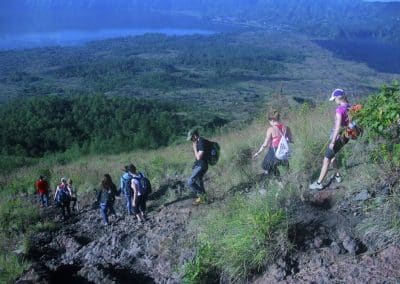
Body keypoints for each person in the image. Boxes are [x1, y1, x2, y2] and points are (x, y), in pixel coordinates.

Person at [309, 88, 351, 190]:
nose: (334, 102)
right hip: (346, 136)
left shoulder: (339, 110)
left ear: (338, 98)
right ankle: (337, 175)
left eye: (334, 99)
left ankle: (319, 183)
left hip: (338, 137)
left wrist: (332, 142)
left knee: (326, 159)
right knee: (332, 157)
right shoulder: (350, 106)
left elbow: (337, 127)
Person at [253, 110, 293, 177]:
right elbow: (290, 140)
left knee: (265, 165)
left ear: (272, 120)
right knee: (286, 169)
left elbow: (265, 144)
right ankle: (290, 180)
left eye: (269, 121)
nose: (269, 123)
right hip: (284, 152)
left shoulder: (271, 129)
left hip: (274, 152)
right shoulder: (287, 128)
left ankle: (280, 181)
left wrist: (258, 152)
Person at [187, 128, 209, 205]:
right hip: (199, 165)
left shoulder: (201, 142)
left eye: (191, 138)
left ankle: (202, 196)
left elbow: (199, 157)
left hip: (202, 166)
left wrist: (194, 148)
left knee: (190, 182)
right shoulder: (199, 142)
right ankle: (204, 198)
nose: (191, 140)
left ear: (195, 136)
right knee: (199, 181)